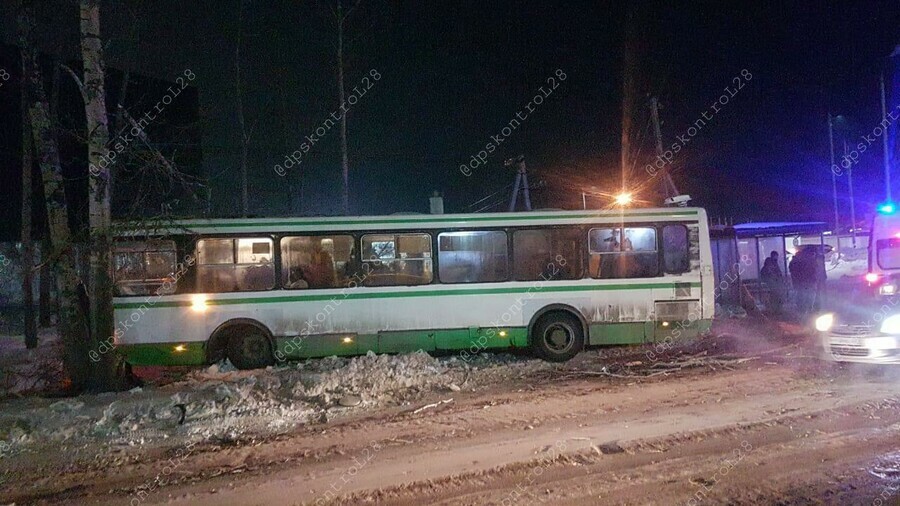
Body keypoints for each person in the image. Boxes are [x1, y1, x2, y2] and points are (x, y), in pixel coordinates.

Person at [789, 247, 817, 317]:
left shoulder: (797, 262)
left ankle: (803, 309)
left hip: (802, 282)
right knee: (808, 295)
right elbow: (812, 271)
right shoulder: (808, 262)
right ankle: (807, 309)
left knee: (802, 295)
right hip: (808, 281)